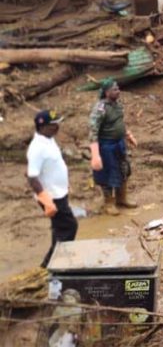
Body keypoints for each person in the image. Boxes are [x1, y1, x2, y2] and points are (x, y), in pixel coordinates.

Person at [28, 110, 78, 268]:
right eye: (53, 125)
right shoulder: (36, 148)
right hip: (52, 197)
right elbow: (31, 176)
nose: (57, 127)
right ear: (42, 127)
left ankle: (54, 261)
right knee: (69, 227)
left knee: (60, 229)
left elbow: (53, 166)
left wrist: (65, 183)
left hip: (59, 192)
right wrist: (46, 201)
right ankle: (51, 264)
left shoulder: (48, 139)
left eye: (57, 123)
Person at [88, 80, 137, 216]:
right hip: (106, 146)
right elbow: (93, 131)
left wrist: (128, 135)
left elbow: (119, 122)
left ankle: (122, 198)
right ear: (107, 92)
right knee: (107, 174)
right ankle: (109, 203)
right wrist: (95, 155)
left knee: (124, 170)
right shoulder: (100, 108)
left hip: (119, 143)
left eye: (118, 88)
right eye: (115, 89)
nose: (118, 91)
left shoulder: (117, 105)